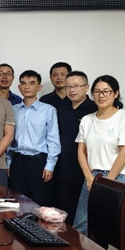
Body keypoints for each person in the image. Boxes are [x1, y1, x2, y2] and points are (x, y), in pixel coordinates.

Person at [74, 75, 125, 236]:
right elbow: (81, 151)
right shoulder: (87, 120)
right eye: (97, 92)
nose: (101, 95)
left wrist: (108, 181)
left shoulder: (124, 117)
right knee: (81, 226)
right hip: (92, 177)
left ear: (116, 93)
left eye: (106, 91)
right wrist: (89, 177)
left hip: (118, 177)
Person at [8, 70, 60, 206]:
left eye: (32, 83)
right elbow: (8, 138)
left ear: (39, 87)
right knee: (17, 203)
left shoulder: (48, 110)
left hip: (39, 163)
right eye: (23, 83)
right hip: (17, 162)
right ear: (19, 87)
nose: (27, 87)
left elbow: (53, 140)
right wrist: (8, 162)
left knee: (39, 204)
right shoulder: (13, 109)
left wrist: (50, 166)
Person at [52, 71, 97, 224]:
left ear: (86, 87)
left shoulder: (94, 109)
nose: (72, 90)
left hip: (87, 171)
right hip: (64, 169)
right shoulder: (61, 108)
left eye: (76, 86)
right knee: (64, 213)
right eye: (68, 87)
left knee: (85, 216)